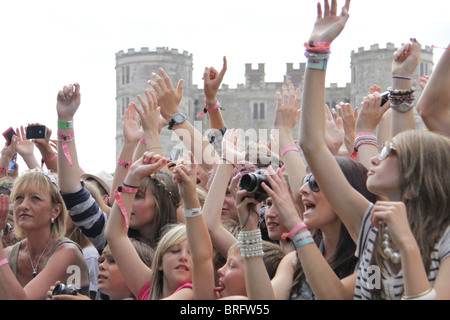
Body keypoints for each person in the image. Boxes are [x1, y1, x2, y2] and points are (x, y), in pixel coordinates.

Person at [281, 0, 450, 300]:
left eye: (388, 153)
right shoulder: (371, 222)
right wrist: (317, 50)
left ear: (414, 171)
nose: (375, 156)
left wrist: (408, 246)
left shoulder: (445, 238)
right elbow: (312, 145)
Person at [104, 150, 193, 300]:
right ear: (159, 263)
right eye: (175, 251)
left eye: (192, 253)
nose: (183, 257)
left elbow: (211, 227)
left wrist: (190, 197)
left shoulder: (193, 292)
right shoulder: (147, 288)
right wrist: (133, 175)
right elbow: (115, 235)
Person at [0, 169, 89, 299]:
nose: (24, 205)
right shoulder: (8, 254)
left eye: (35, 198)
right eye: (19, 198)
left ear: (56, 210)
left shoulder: (68, 252)